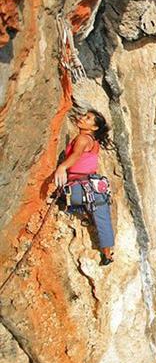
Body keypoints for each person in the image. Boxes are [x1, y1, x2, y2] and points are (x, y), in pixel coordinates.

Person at [54, 108, 115, 265]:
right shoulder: (94, 142)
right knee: (102, 215)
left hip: (76, 189)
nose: (82, 118)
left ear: (94, 127)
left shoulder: (82, 138)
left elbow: (76, 155)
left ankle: (78, 209)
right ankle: (107, 255)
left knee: (78, 200)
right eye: (84, 116)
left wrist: (62, 167)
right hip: (92, 186)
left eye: (87, 118)